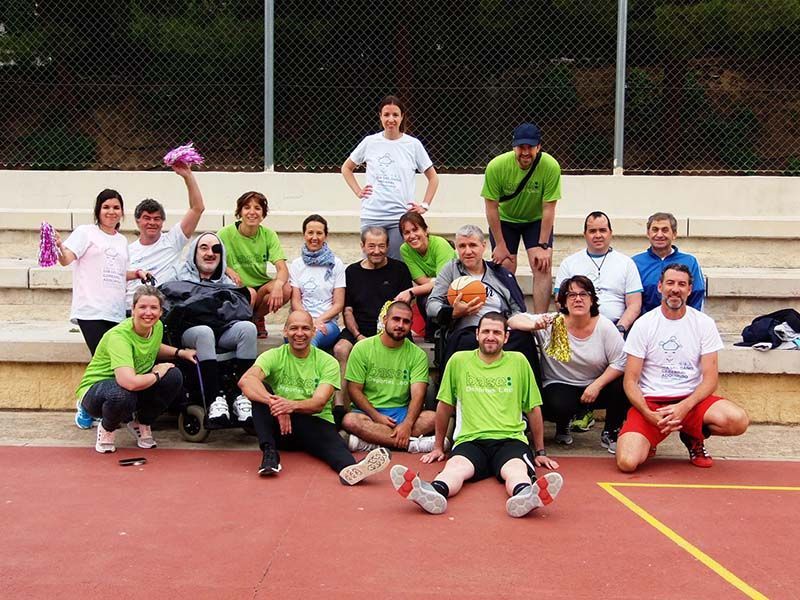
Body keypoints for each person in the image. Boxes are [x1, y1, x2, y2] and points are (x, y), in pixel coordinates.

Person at [390, 312, 563, 517]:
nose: (491, 336)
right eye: (486, 331)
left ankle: (525, 495)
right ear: (477, 334)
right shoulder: (459, 361)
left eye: (497, 332)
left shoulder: (519, 362)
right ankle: (433, 491)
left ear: (506, 337)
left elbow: (533, 408)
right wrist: (438, 446)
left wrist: (541, 451)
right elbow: (444, 406)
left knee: (516, 470)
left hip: (510, 439)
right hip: (470, 439)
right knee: (454, 468)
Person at [616, 264, 749, 472]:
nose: (675, 289)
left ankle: (692, 435)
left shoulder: (703, 324)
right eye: (670, 283)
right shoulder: (644, 324)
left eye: (681, 284)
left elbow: (710, 379)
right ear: (660, 287)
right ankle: (648, 438)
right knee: (627, 463)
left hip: (691, 401)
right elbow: (630, 380)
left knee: (737, 420)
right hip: (652, 404)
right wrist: (647, 413)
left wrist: (684, 407)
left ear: (689, 289)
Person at [239, 310, 392, 484]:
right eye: (294, 328)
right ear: (285, 331)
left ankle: (351, 470)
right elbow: (246, 381)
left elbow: (318, 403)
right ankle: (269, 453)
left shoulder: (327, 362)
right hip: (281, 428)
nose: (299, 333)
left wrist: (289, 406)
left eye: (305, 329)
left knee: (336, 447)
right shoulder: (274, 355)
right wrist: (275, 404)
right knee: (261, 392)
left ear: (313, 332)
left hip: (314, 422)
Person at [509, 276, 629, 453]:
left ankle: (611, 431)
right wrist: (534, 325)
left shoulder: (604, 326)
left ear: (592, 299)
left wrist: (597, 385)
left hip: (595, 385)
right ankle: (562, 423)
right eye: (571, 295)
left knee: (624, 384)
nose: (578, 299)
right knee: (557, 405)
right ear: (563, 301)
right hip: (560, 384)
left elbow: (621, 361)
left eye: (583, 294)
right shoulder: (552, 322)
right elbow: (513, 320)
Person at [554, 211, 642, 432]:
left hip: (616, 326)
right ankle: (576, 413)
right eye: (592, 230)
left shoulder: (625, 263)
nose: (598, 235)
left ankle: (612, 429)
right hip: (579, 326)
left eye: (602, 230)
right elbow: (560, 301)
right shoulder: (570, 262)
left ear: (611, 233)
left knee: (628, 368)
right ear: (585, 234)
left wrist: (620, 327)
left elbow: (634, 303)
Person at [76, 285, 192, 453]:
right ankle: (107, 428)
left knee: (173, 376)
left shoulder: (156, 327)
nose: (148, 312)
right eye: (142, 307)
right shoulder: (119, 337)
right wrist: (157, 374)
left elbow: (152, 346)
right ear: (133, 309)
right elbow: (128, 382)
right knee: (122, 394)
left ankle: (142, 422)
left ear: (160, 312)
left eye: (154, 308)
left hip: (133, 384)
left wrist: (180, 353)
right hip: (97, 391)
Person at [168, 232, 258, 428]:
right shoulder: (178, 276)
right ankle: (214, 399)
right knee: (204, 332)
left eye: (216, 249)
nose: (210, 253)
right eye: (204, 248)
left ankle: (242, 397)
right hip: (191, 333)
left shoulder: (227, 284)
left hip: (223, 331)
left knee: (248, 329)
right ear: (194, 253)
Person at [341, 95, 439, 259]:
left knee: (397, 267)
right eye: (386, 115)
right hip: (372, 216)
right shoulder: (370, 142)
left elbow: (433, 178)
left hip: (399, 219)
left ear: (402, 117)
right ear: (380, 116)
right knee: (371, 264)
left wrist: (425, 205)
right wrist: (358, 191)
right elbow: (346, 168)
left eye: (395, 114)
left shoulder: (413, 145)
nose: (391, 119)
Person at [426, 224, 536, 368]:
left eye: (473, 245)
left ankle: (527, 388)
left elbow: (516, 308)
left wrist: (518, 322)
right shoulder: (451, 269)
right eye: (462, 246)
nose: (468, 251)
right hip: (468, 331)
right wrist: (453, 312)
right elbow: (431, 304)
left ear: (483, 246)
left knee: (524, 339)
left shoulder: (499, 273)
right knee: (465, 342)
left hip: (499, 329)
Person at [482, 122, 561, 314]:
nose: (525, 152)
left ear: (539, 147)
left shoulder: (550, 166)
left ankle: (540, 322)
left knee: (542, 265)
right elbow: (491, 207)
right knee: (506, 266)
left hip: (535, 220)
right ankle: (510, 316)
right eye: (521, 147)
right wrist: (500, 244)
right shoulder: (496, 166)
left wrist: (543, 246)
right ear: (513, 147)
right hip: (505, 219)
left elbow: (549, 207)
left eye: (530, 147)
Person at [332, 227, 412, 410]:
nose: (377, 251)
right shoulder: (351, 272)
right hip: (359, 329)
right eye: (371, 246)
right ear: (362, 246)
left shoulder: (400, 270)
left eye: (381, 246)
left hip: (392, 328)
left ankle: (403, 404)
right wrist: (358, 336)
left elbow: (406, 308)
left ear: (388, 246)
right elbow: (348, 311)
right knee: (341, 349)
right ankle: (340, 408)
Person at [342, 301, 436, 453]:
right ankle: (411, 445)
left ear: (411, 324)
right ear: (385, 320)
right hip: (369, 413)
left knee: (433, 418)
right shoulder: (362, 348)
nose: (400, 325)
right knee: (350, 421)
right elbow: (354, 390)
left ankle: (372, 443)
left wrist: (407, 424)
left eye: (406, 321)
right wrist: (377, 416)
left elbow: (418, 395)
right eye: (396, 319)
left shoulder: (417, 354)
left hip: (402, 412)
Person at [126, 162, 205, 307]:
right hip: (130, 310)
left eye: (157, 219)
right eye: (147, 218)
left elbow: (197, 208)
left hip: (164, 309)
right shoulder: (126, 250)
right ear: (137, 221)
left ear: (163, 222)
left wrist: (188, 176)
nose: (152, 223)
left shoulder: (172, 241)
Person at [217, 191, 290, 338]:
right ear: (240, 212)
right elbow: (211, 260)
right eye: (246, 207)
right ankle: (245, 323)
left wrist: (278, 285)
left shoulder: (268, 235)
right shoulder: (225, 233)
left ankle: (256, 318)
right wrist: (228, 270)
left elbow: (282, 268)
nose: (252, 212)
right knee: (250, 292)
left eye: (257, 208)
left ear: (263, 213)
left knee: (286, 289)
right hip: (236, 287)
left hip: (260, 287)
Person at [288, 214, 346, 351]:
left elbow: (338, 304)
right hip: (300, 320)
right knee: (296, 336)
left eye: (319, 233)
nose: (314, 237)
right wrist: (308, 322)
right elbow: (296, 301)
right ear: (304, 235)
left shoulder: (336, 264)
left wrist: (317, 321)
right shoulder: (297, 264)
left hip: (327, 323)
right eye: (310, 233)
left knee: (310, 338)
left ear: (325, 235)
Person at [396, 211, 456, 339]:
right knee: (423, 297)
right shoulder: (405, 249)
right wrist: (434, 282)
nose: (412, 235)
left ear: (425, 230)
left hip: (455, 289)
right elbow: (420, 280)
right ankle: (432, 335)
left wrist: (410, 292)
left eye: (415, 229)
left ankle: (441, 334)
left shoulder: (440, 244)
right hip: (434, 291)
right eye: (406, 232)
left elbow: (444, 284)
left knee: (426, 296)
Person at [632, 212, 705, 313]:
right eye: (655, 230)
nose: (659, 235)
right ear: (648, 234)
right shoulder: (635, 263)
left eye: (665, 230)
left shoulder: (690, 262)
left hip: (682, 322)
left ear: (674, 234)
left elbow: (697, 295)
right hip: (646, 325)